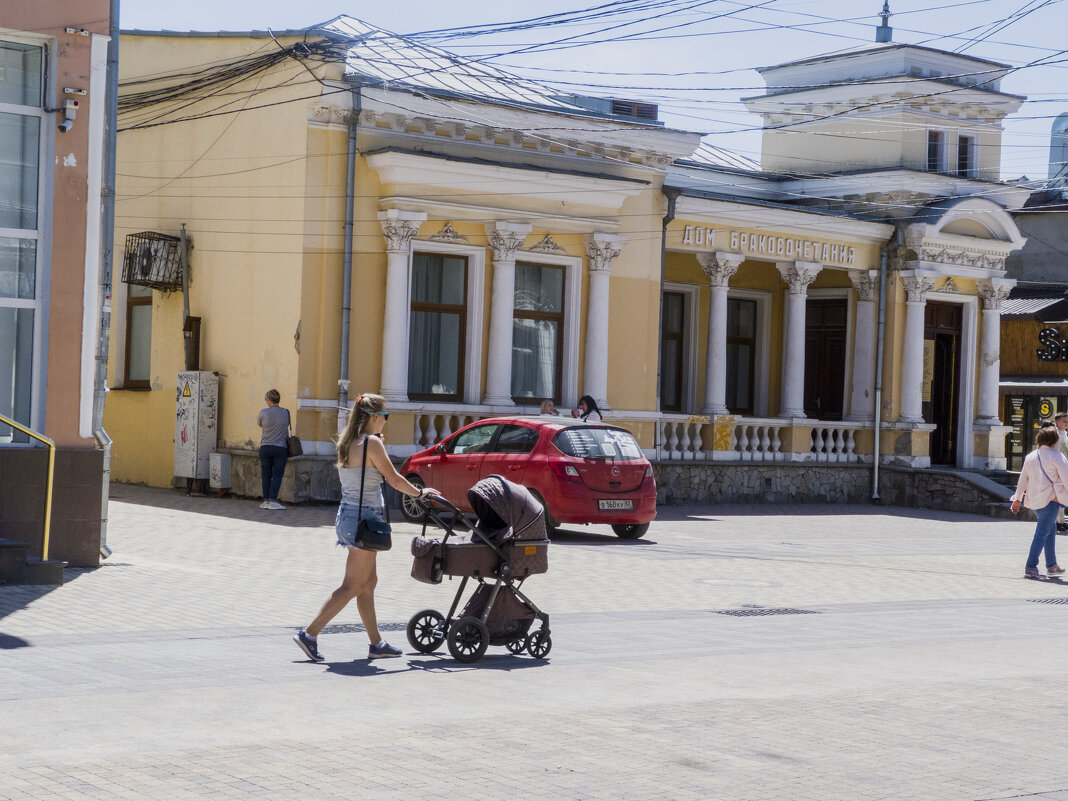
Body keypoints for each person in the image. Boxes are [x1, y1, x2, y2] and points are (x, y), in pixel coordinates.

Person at [293, 393, 440, 662]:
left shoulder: (349, 441)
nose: (386, 421)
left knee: (368, 584)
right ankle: (309, 634)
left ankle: (376, 643)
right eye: (385, 416)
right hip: (365, 519)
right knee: (351, 586)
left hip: (349, 515)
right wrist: (420, 493)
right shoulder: (372, 443)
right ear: (374, 417)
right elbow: (394, 479)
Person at [1011, 424, 1068, 579]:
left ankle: (1052, 566)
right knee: (1042, 533)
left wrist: (1017, 499)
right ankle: (1030, 566)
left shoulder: (1031, 456)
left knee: (1049, 532)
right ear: (1055, 441)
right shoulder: (1057, 456)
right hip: (1051, 500)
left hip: (1035, 500)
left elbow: (1023, 479)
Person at [257, 389, 290, 510]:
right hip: (280, 448)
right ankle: (273, 501)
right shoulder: (286, 412)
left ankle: (265, 501)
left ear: (269, 401)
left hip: (265, 447)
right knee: (277, 475)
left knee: (265, 474)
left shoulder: (263, 412)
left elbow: (259, 424)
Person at [1056, 413, 1068, 532]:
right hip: (1060, 470)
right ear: (1058, 422)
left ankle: (1061, 520)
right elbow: (1058, 454)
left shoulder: (1064, 434)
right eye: (1064, 421)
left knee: (1063, 497)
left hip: (1065, 468)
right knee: (1060, 497)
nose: (1066, 423)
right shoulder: (1057, 436)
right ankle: (1058, 521)